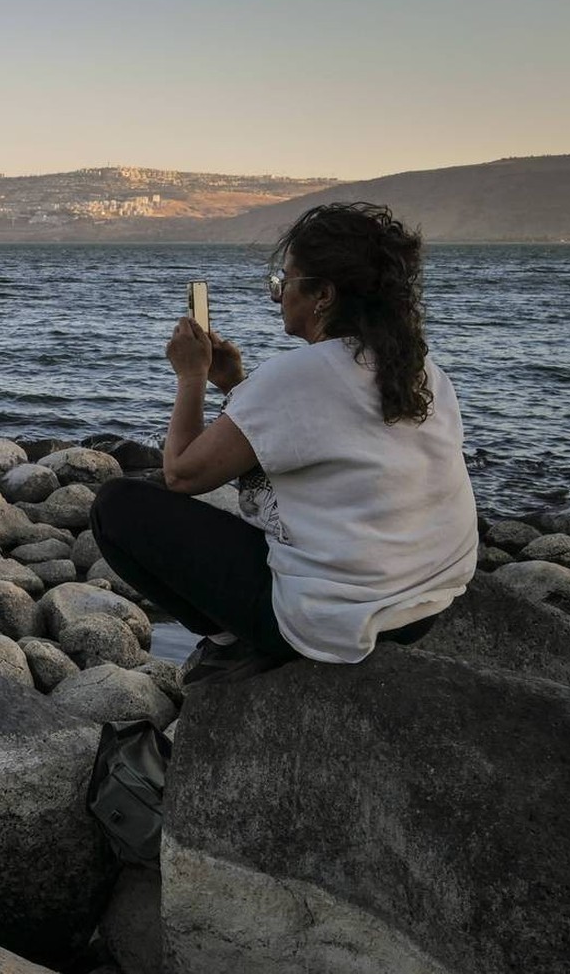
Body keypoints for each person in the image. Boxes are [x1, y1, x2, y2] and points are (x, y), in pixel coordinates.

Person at [89, 202, 478, 685]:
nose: (277, 298)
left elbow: (183, 474)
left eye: (284, 283)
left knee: (118, 506)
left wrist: (191, 376)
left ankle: (235, 638)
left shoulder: (297, 376)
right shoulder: (421, 372)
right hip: (422, 606)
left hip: (333, 620)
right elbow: (317, 438)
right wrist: (235, 384)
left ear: (323, 296)